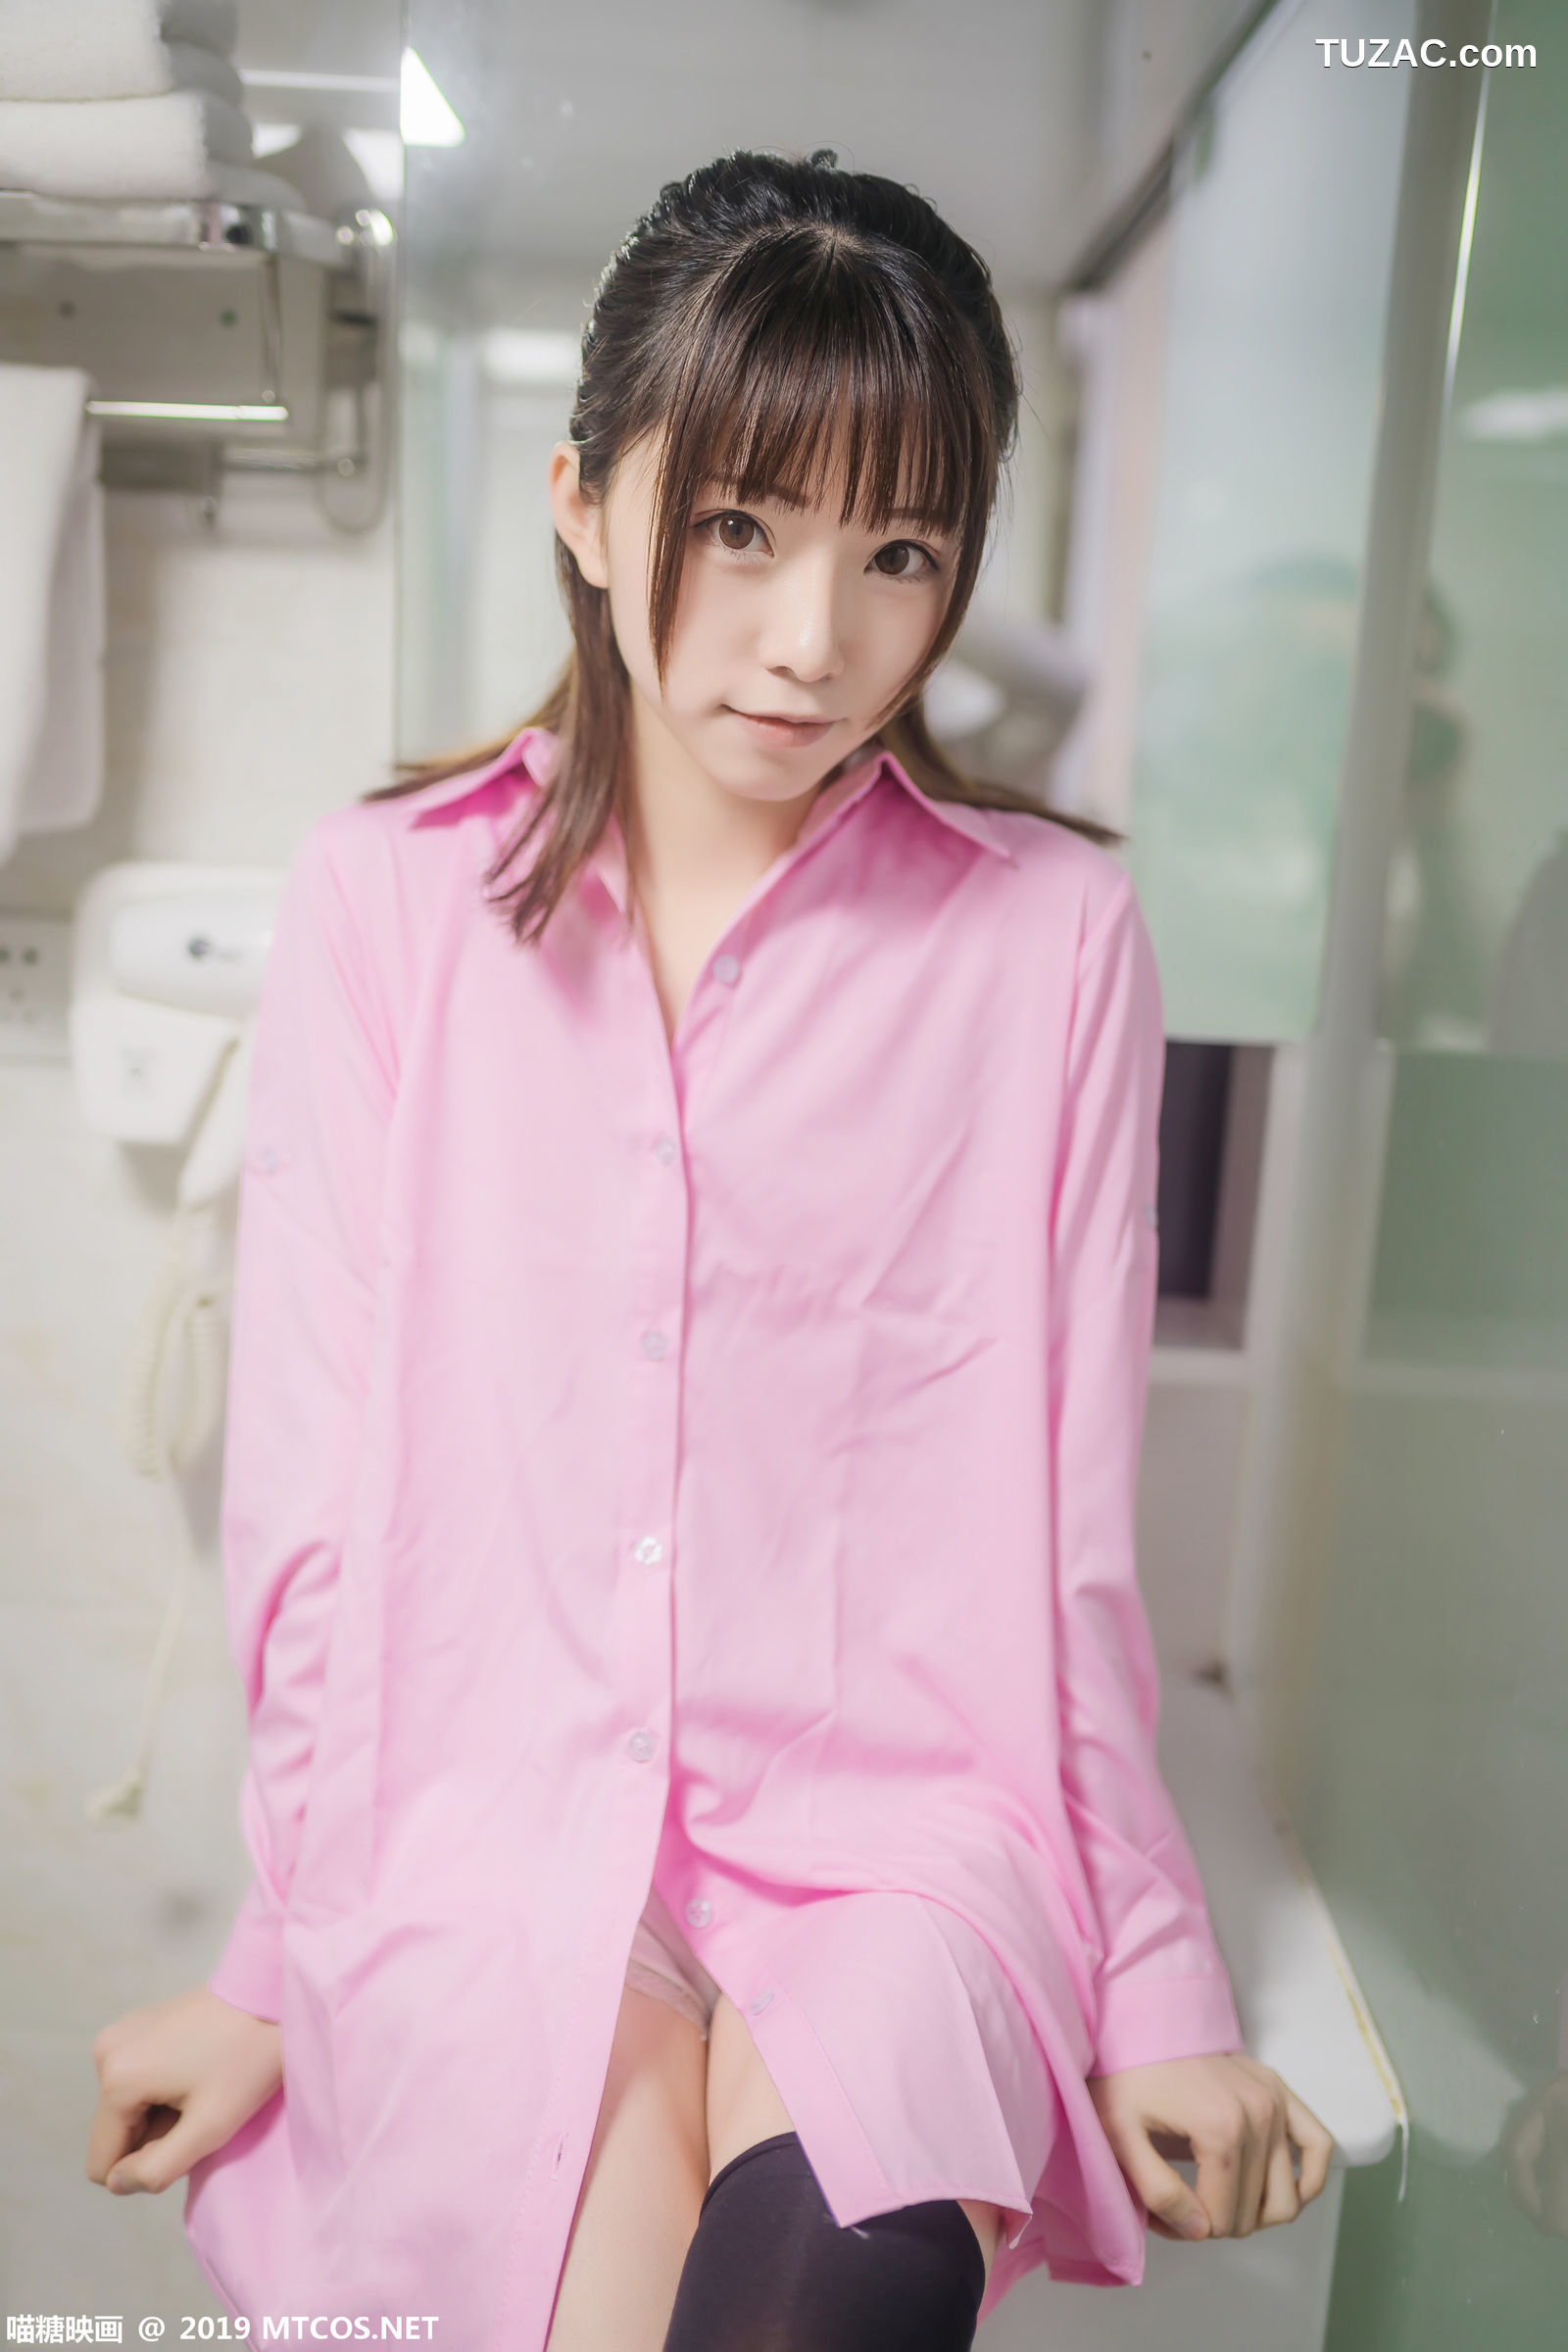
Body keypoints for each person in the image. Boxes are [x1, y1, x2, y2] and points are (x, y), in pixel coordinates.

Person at [84, 151, 1333, 2351]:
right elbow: (317, 1517)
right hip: (488, 1830)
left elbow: (1064, 1548)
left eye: (898, 553)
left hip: (901, 1840)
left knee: (829, 2293)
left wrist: (1154, 1995)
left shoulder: (1049, 943)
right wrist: (272, 1965)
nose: (812, 638)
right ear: (585, 502)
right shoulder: (388, 907)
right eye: (741, 525)